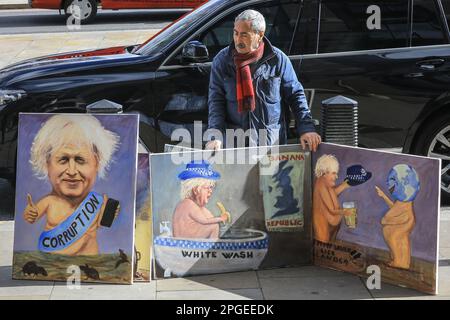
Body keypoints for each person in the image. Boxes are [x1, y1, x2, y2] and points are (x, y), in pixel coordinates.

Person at [206, 9, 321, 151]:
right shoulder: (222, 61)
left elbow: (295, 95)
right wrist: (215, 136)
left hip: (271, 144)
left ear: (259, 35)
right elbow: (216, 101)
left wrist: (306, 128)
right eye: (235, 33)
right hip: (236, 146)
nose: (238, 39)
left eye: (244, 35)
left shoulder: (278, 59)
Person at [23, 114, 121, 256]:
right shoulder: (49, 202)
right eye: (63, 159)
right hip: (53, 265)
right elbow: (31, 217)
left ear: (97, 163)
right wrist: (30, 213)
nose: (72, 171)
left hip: (90, 266)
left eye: (80, 160)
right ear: (46, 163)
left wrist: (108, 213)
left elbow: (104, 223)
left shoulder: (98, 203)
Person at [313, 155, 371, 242]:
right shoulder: (321, 183)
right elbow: (331, 209)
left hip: (332, 225)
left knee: (329, 245)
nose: (336, 177)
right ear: (324, 172)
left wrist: (346, 184)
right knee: (323, 247)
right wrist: (345, 212)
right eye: (333, 173)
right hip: (324, 225)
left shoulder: (326, 183)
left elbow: (332, 194)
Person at [172, 160, 230, 239]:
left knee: (213, 225)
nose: (211, 191)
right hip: (184, 241)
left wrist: (222, 221)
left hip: (186, 238)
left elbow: (209, 217)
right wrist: (221, 218)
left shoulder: (196, 206)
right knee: (214, 226)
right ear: (196, 190)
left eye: (211, 187)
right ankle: (212, 247)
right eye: (207, 187)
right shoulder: (188, 204)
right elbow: (205, 220)